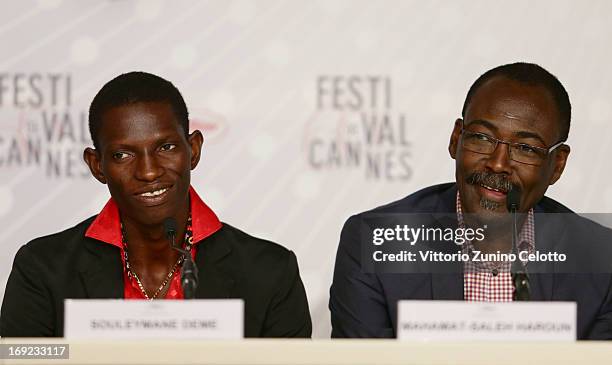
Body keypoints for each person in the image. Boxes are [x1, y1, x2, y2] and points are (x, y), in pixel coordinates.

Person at [0, 72, 311, 338]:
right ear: (97, 165)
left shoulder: (270, 273)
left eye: (166, 147)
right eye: (123, 154)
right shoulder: (41, 270)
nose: (148, 171)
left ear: (193, 150)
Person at [329, 62, 612, 339]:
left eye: (525, 148)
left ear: (558, 164)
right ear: (456, 139)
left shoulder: (601, 260)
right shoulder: (376, 244)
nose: (498, 164)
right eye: (482, 138)